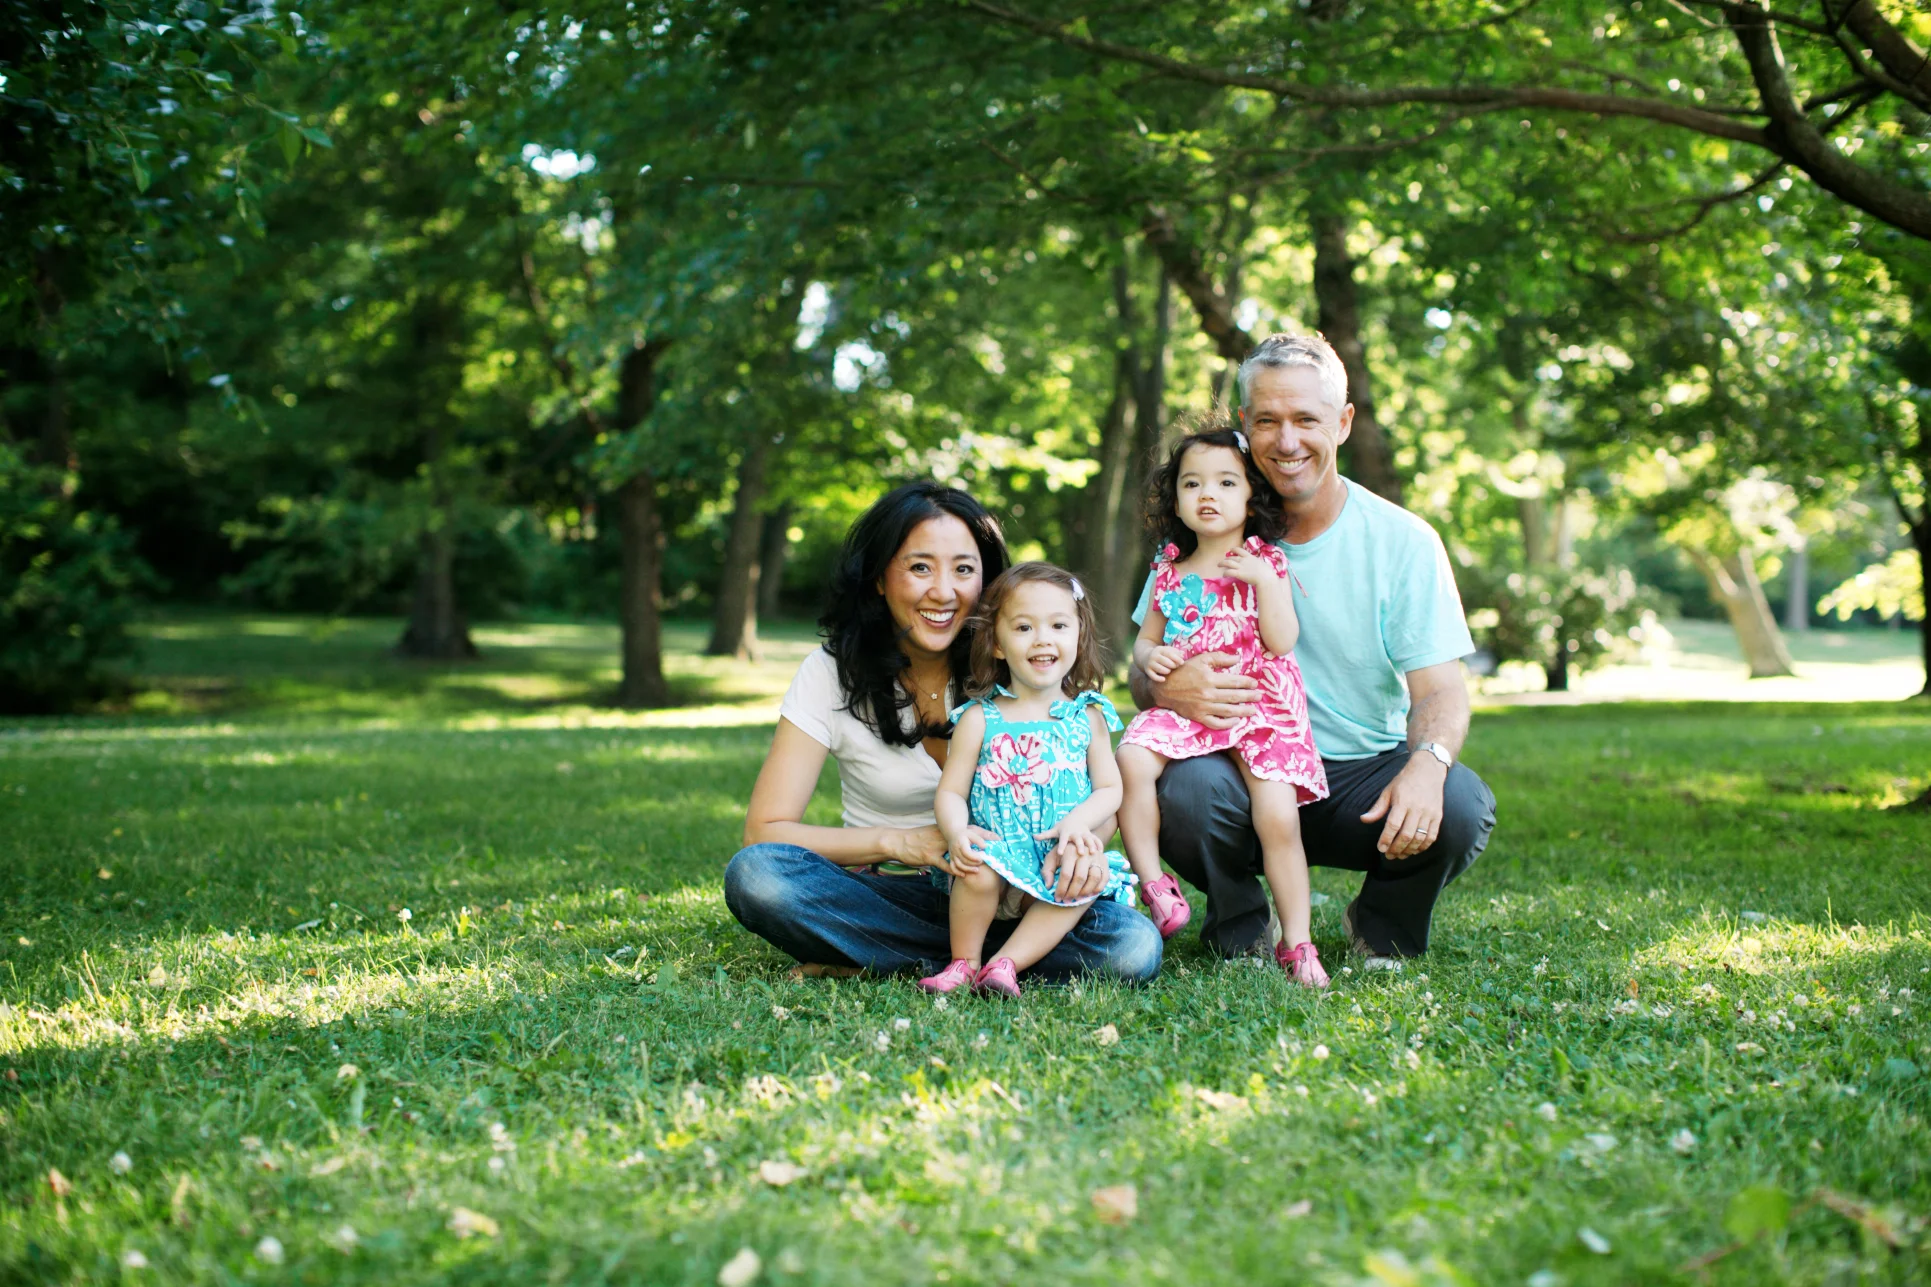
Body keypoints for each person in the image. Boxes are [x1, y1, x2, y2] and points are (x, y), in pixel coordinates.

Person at [1129, 334, 1497, 963]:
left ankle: (1381, 924)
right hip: (1234, 765)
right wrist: (1164, 686)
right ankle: (1243, 924)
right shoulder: (1199, 537)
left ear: (1344, 423)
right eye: (1267, 420)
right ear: (1244, 425)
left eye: (1307, 419)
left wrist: (1429, 765)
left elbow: (1440, 690)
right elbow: (1147, 672)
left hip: (1359, 777)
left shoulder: (1403, 542)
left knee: (1459, 804)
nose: (1287, 440)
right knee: (1183, 790)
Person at [725, 482, 1162, 985]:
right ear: (879, 579)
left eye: (963, 569)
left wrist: (1084, 844)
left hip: (1026, 892)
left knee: (1131, 946)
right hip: (897, 892)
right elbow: (765, 833)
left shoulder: (1020, 660)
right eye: (919, 567)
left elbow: (1088, 781)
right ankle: (966, 959)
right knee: (758, 877)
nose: (943, 591)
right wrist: (903, 843)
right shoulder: (830, 673)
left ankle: (904, 958)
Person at [1116, 427, 1331, 988]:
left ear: (1250, 495)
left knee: (1278, 817)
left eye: (1225, 482)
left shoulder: (1266, 563)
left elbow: (1282, 641)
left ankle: (1297, 941)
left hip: (1259, 708)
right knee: (1132, 758)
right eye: (1192, 483)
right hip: (1194, 709)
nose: (1207, 494)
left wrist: (1264, 582)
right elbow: (1145, 643)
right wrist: (1154, 658)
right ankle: (1155, 886)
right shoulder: (1168, 570)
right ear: (1176, 500)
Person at [919, 563, 1137, 998]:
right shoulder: (980, 717)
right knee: (976, 872)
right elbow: (951, 791)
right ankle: (964, 962)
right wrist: (957, 832)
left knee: (1076, 890)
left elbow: (1111, 789)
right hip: (996, 855)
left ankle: (1005, 965)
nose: (1042, 638)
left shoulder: (1086, 716)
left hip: (1057, 858)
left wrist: (1078, 823)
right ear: (997, 645)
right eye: (1023, 627)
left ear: (1078, 635)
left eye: (1058, 625)